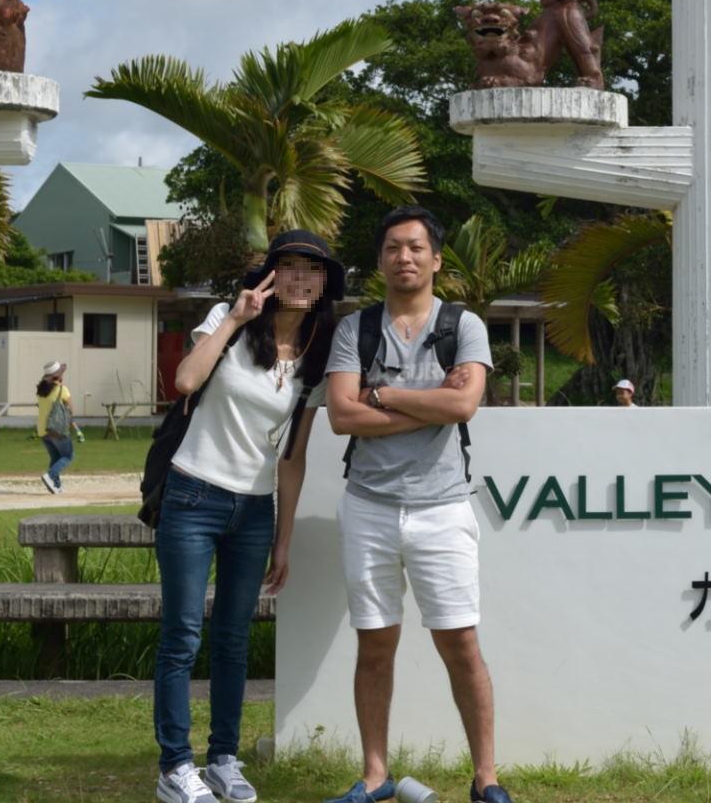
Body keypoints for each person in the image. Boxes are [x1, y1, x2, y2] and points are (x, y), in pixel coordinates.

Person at [315, 205, 512, 803]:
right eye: (394, 248)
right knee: (375, 643)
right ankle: (375, 777)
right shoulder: (356, 329)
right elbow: (342, 417)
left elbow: (463, 407)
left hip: (442, 508)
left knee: (460, 643)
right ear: (379, 261)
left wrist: (385, 393)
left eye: (416, 248)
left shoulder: (463, 325)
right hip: (369, 507)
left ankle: (486, 779)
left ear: (436, 259)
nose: (405, 257)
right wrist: (427, 398)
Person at [153, 229, 347, 803]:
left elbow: (293, 457)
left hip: (254, 508)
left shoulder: (317, 353)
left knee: (233, 640)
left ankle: (223, 760)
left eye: (310, 270)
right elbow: (185, 380)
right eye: (287, 266)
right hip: (192, 495)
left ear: (323, 284)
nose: (298, 278)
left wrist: (282, 540)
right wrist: (236, 319)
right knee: (183, 635)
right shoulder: (227, 317)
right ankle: (174, 767)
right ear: (270, 274)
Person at [34, 360, 82, 494]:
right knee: (68, 456)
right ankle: (50, 475)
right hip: (57, 430)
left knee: (55, 458)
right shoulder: (62, 390)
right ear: (58, 376)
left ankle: (56, 485)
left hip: (43, 430)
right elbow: (71, 410)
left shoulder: (40, 391)